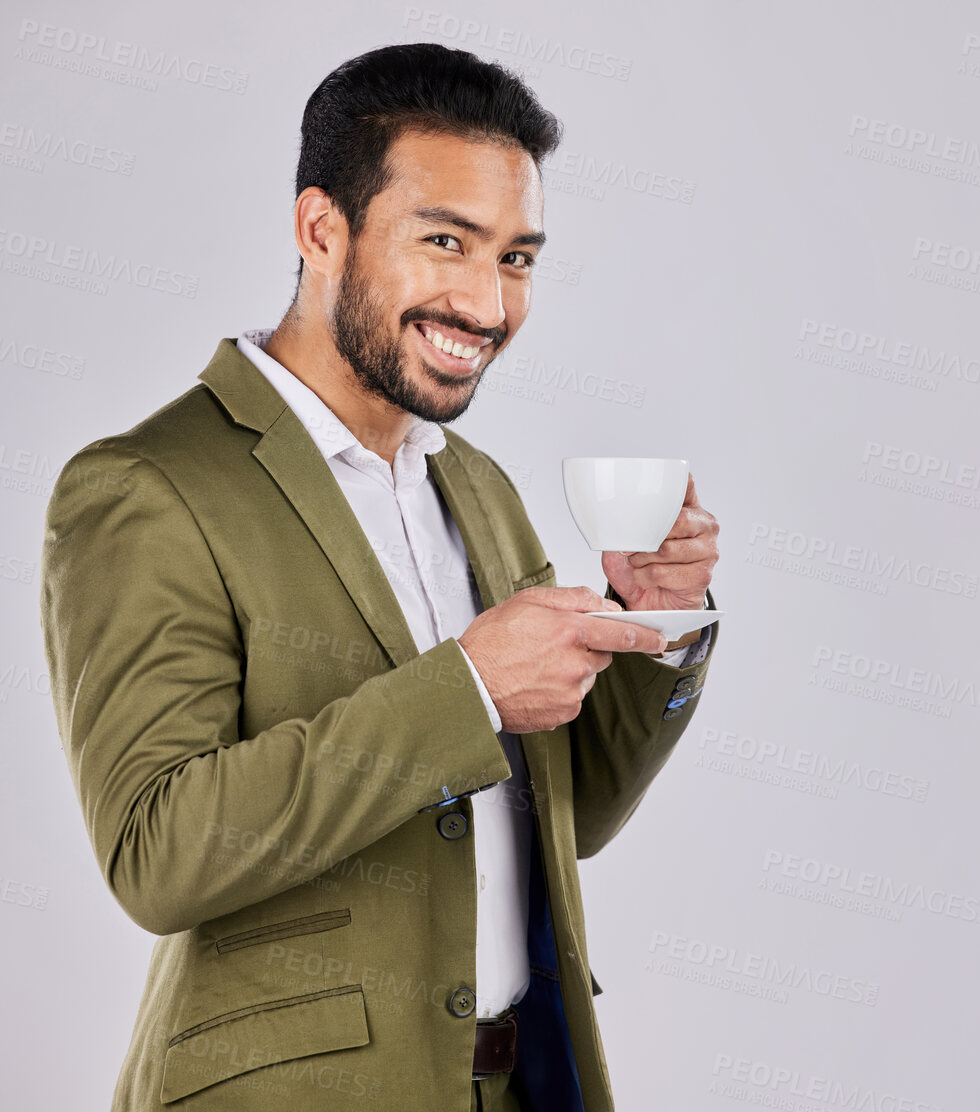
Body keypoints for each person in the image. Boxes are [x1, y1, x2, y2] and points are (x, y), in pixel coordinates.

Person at [37, 42, 720, 1112]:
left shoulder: (477, 486)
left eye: (518, 257)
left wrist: (654, 618)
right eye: (444, 240)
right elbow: (156, 850)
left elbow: (563, 809)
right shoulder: (146, 486)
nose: (487, 302)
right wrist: (469, 687)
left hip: (521, 1079)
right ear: (321, 229)